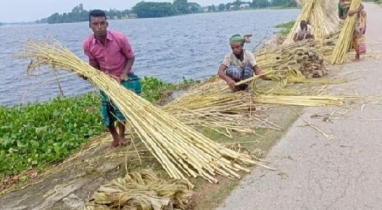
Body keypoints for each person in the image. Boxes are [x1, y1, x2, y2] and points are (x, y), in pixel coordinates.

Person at [82, 9, 141, 148]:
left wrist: (124, 74)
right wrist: (88, 74)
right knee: (107, 111)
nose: (99, 26)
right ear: (90, 25)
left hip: (123, 75)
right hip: (106, 79)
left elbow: (130, 57)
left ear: (107, 24)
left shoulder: (119, 38)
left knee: (121, 109)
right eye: (95, 24)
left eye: (102, 23)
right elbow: (94, 65)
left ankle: (122, 135)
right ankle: (115, 138)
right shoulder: (88, 44)